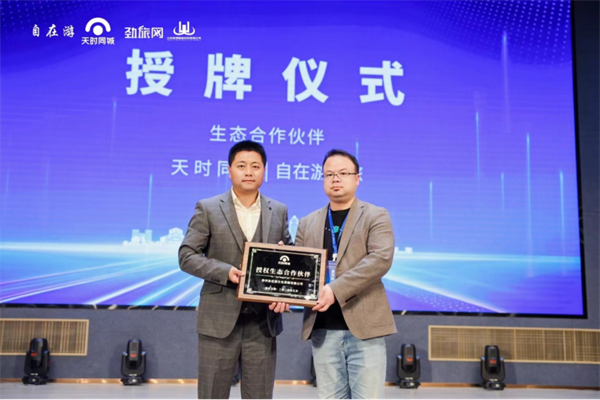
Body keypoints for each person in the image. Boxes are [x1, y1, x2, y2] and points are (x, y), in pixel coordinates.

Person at [179, 140, 291, 400]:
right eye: (241, 166)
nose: (248, 172)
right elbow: (186, 255)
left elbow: (288, 255)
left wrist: (284, 288)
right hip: (218, 321)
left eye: (255, 166)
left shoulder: (279, 210)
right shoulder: (208, 208)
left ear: (264, 171)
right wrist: (225, 271)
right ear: (229, 170)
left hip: (262, 324)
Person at [294, 149, 397, 400]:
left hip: (364, 327)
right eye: (329, 174)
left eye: (343, 173)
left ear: (357, 178)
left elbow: (380, 260)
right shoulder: (308, 222)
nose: (335, 179)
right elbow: (300, 269)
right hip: (323, 328)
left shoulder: (376, 215)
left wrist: (335, 289)